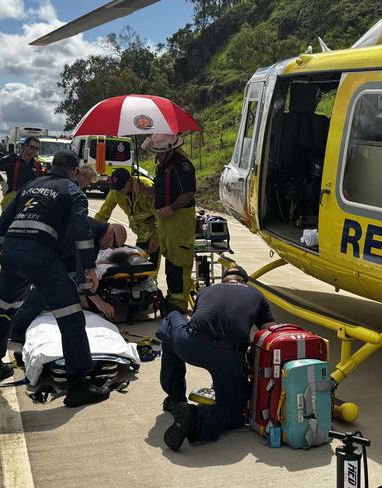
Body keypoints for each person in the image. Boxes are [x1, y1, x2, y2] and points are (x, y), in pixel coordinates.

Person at [0, 150, 110, 408]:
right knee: (71, 316)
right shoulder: (72, 191)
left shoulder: (30, 186)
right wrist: (88, 268)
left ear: (52, 166)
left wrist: (7, 254)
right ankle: (78, 385)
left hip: (12, 253)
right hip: (40, 257)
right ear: (74, 172)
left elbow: (1, 224)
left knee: (5, 309)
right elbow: (81, 230)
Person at [157, 266, 276, 451]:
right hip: (230, 357)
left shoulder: (208, 290)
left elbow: (197, 318)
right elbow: (271, 333)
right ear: (245, 281)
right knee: (234, 412)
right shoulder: (257, 294)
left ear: (224, 280)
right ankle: (197, 418)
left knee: (172, 320)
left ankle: (176, 399)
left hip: (193, 345)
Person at [8, 219, 127, 342]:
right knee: (44, 290)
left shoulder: (97, 239)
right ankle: (16, 330)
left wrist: (82, 294)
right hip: (40, 248)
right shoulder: (88, 234)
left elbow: (82, 270)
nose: (111, 248)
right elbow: (83, 274)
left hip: (59, 253)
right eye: (114, 244)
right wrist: (99, 303)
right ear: (110, 232)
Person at [139, 134, 196, 314]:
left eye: (160, 153)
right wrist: (144, 190)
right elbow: (160, 190)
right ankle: (172, 297)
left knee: (179, 261)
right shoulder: (163, 166)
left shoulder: (183, 166)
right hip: (165, 220)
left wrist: (171, 209)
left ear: (170, 150)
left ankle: (179, 303)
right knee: (169, 257)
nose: (158, 156)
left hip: (179, 219)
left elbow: (188, 193)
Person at [94, 167, 160, 266]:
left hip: (157, 232)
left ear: (129, 181)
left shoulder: (145, 188)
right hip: (141, 234)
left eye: (121, 186)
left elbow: (160, 215)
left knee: (151, 267)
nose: (119, 190)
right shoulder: (115, 191)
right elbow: (104, 213)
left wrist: (157, 237)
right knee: (139, 265)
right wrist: (95, 232)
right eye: (117, 187)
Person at [0, 136, 40, 209]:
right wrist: (3, 183)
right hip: (12, 198)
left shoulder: (37, 164)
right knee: (6, 220)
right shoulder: (12, 159)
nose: (34, 150)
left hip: (29, 200)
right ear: (25, 146)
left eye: (36, 148)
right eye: (31, 147)